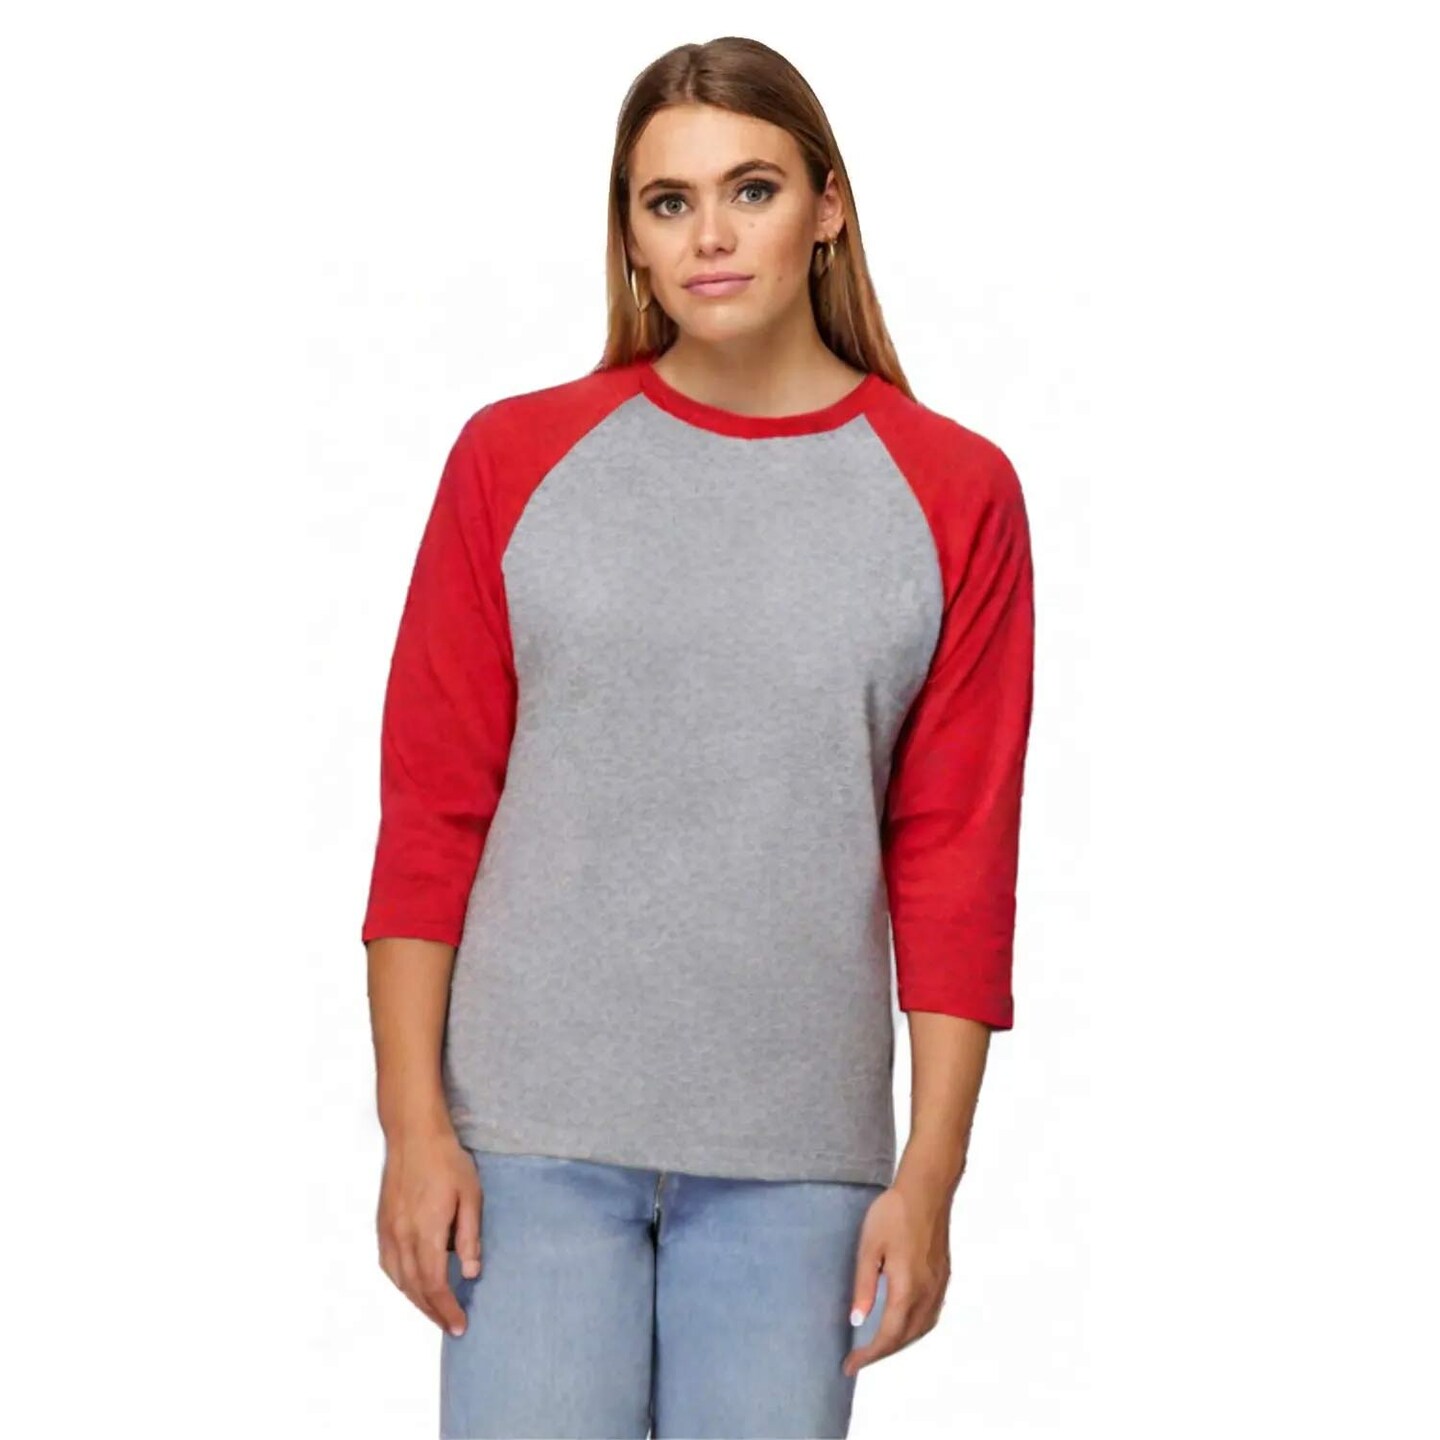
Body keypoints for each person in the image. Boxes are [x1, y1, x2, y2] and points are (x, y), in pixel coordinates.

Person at [362, 34, 1036, 1440]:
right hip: (526, 1142)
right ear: (630, 234)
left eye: (753, 189)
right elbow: (432, 815)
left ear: (829, 206)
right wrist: (412, 1129)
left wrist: (931, 1176)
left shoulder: (953, 491)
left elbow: (955, 859)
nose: (710, 236)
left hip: (799, 1155)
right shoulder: (513, 460)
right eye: (668, 202)